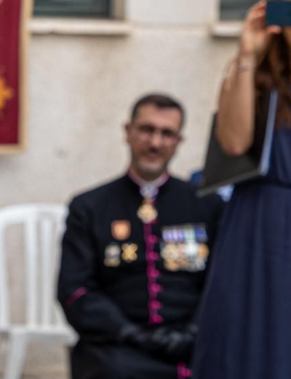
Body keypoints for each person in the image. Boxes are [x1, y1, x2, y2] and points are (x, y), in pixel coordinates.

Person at [57, 93, 222, 378]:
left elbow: (221, 284)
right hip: (116, 348)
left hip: (191, 348)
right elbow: (75, 291)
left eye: (167, 133)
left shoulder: (207, 205)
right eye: (146, 130)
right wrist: (129, 333)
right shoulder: (89, 207)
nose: (155, 143)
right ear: (128, 132)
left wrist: (194, 332)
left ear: (179, 141)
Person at [192, 0, 291, 377]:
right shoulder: (254, 78)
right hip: (260, 224)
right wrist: (246, 55)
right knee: (249, 341)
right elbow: (234, 142)